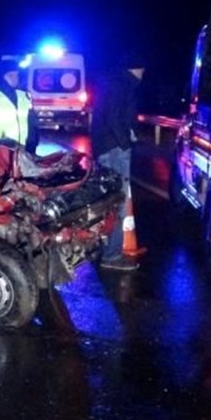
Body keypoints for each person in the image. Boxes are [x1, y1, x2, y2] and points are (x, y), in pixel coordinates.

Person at [90, 54, 145, 271]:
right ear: (138, 69)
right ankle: (111, 256)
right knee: (117, 202)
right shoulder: (123, 85)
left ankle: (104, 248)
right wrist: (125, 143)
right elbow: (115, 118)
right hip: (114, 149)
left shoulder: (111, 81)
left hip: (106, 147)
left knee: (108, 200)